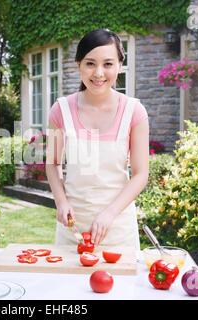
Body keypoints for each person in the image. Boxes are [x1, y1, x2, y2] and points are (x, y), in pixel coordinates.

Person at [45, 29, 149, 249]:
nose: (99, 73)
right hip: (72, 227)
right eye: (90, 63)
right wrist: (61, 202)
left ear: (120, 66)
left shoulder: (134, 112)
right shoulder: (60, 110)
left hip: (118, 229)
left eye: (108, 64)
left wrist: (109, 214)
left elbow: (140, 175)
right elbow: (52, 163)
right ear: (78, 65)